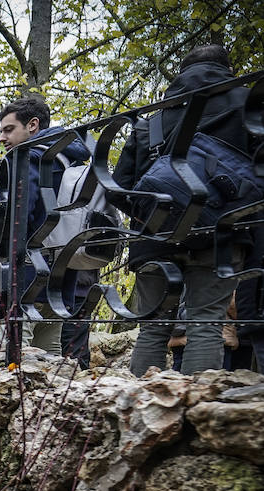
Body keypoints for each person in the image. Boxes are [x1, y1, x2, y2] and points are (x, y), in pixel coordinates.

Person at [116, 45, 255, 376]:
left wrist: (152, 214)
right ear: (227, 71)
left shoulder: (151, 122)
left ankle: (142, 413)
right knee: (206, 323)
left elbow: (120, 185)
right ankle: (194, 419)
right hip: (220, 232)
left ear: (180, 73)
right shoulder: (251, 106)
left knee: (152, 327)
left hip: (154, 234)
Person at [0, 95, 96, 368]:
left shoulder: (27, 157)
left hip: (29, 268)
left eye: (8, 129)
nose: (2, 138)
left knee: (16, 351)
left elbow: (20, 214)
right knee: (51, 353)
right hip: (64, 267)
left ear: (33, 125)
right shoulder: (72, 158)